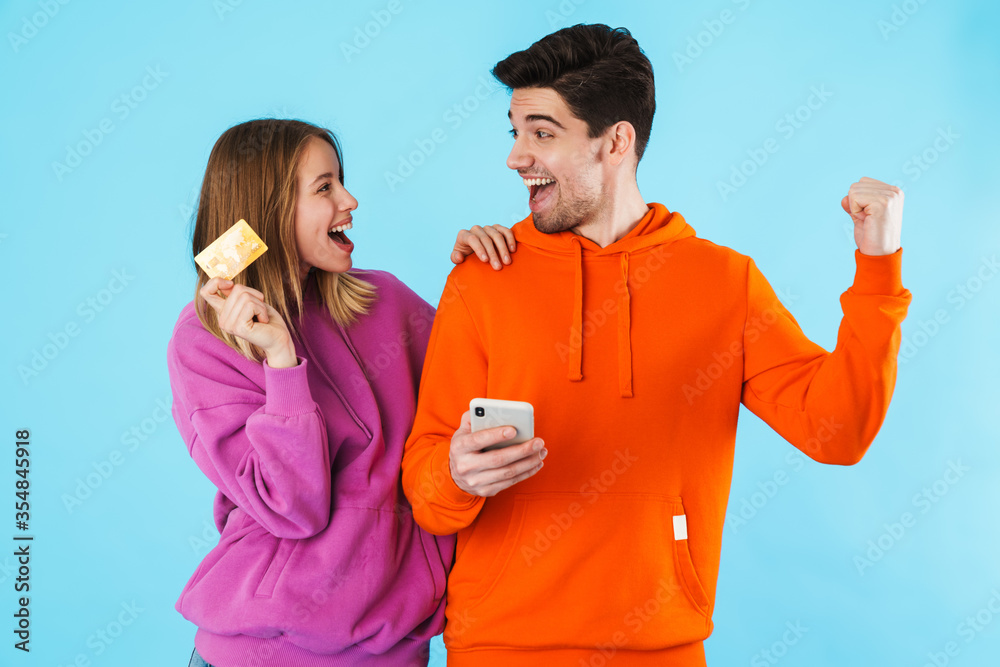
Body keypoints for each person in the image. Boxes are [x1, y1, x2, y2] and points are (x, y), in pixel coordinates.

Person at [401, 24, 912, 666]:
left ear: (615, 141)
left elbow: (838, 431)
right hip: (499, 648)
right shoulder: (484, 277)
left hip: (661, 648)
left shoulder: (723, 282)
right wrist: (454, 473)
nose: (515, 156)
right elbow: (425, 486)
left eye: (542, 132)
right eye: (515, 131)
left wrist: (878, 265)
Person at [166, 118, 517, 667]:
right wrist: (282, 360)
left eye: (341, 181)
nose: (350, 200)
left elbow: (501, 387)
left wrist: (492, 278)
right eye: (325, 187)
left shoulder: (387, 302)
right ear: (269, 209)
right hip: (262, 651)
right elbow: (293, 507)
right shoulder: (204, 342)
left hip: (393, 647)